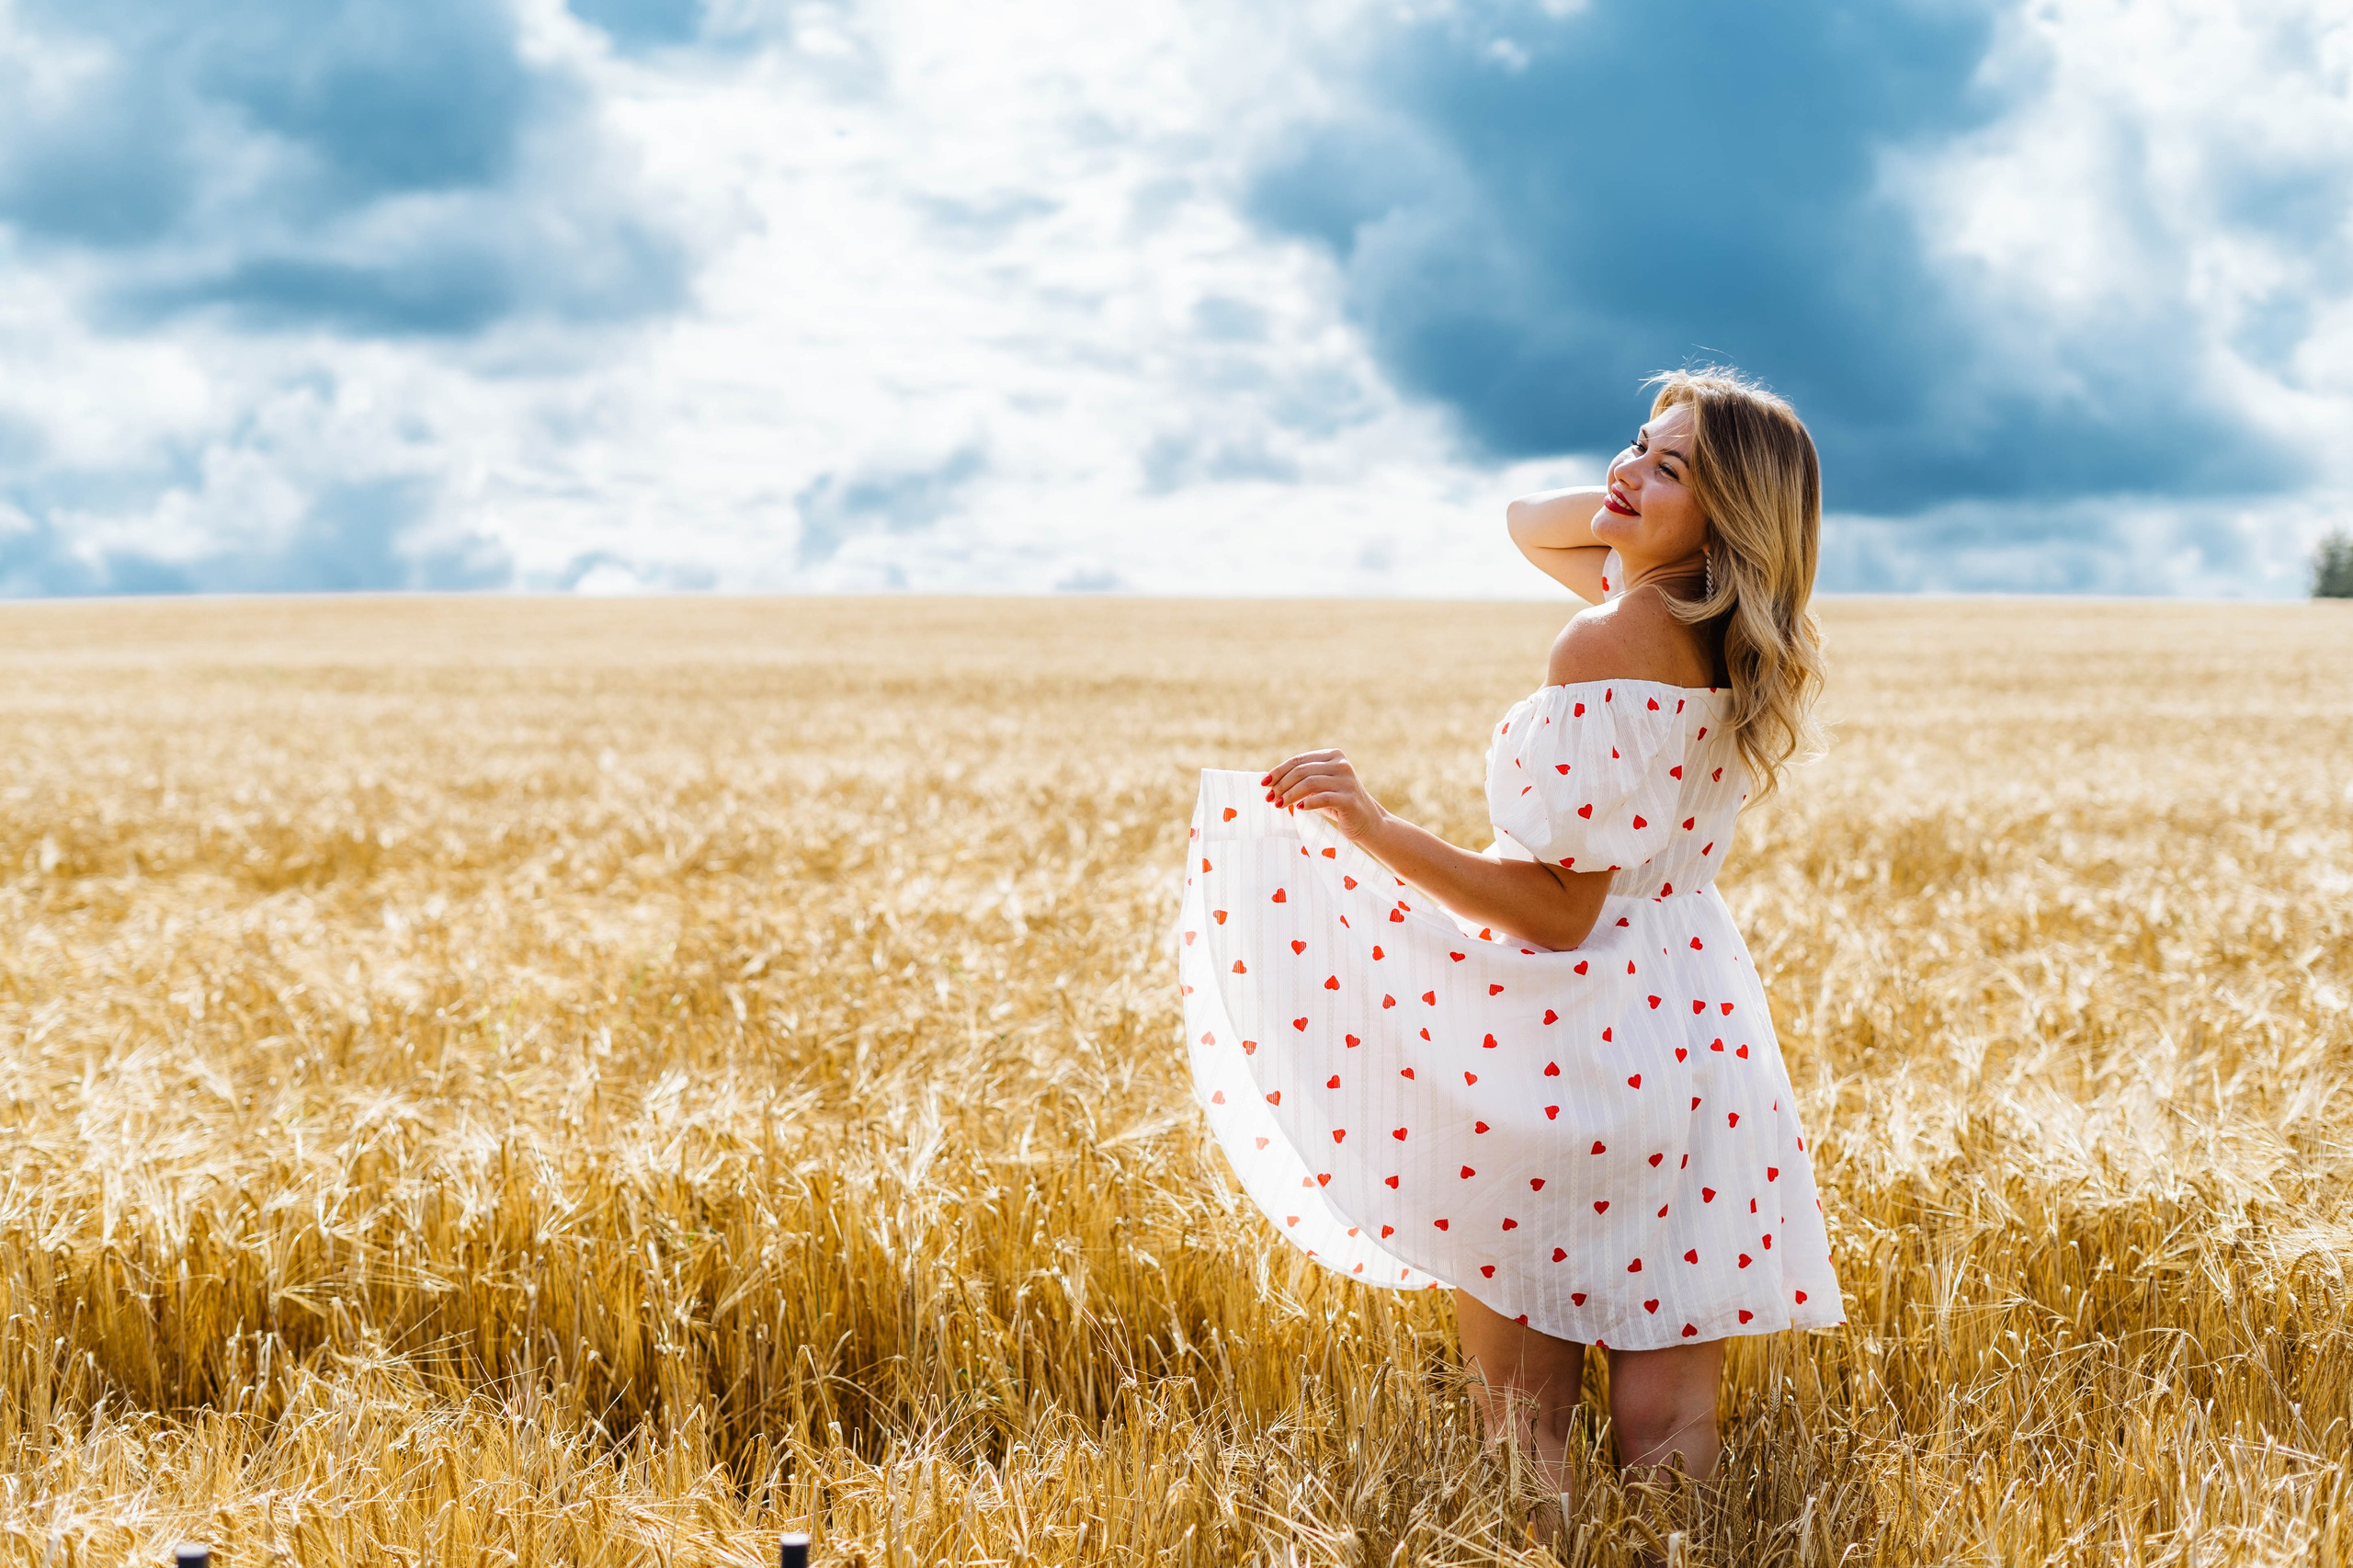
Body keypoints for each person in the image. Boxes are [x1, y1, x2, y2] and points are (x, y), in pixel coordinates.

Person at [1176, 367, 1845, 1529]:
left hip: (1562, 1031)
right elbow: (1529, 525)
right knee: (1671, 1424)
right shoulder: (1731, 640)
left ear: (1725, 513)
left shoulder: (1602, 637)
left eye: (1666, 467)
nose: (1623, 474)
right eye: (1631, 446)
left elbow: (1554, 911)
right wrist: (1649, 482)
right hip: (1698, 1035)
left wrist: (1374, 828)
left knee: (1521, 1421)